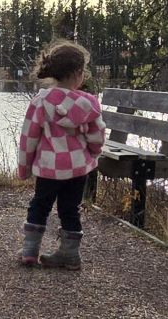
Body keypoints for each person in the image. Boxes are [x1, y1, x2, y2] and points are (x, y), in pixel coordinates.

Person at [15, 40, 106, 269]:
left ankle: (29, 251)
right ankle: (70, 255)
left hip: (48, 167)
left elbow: (29, 138)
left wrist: (24, 168)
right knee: (70, 209)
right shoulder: (89, 104)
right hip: (77, 168)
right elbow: (97, 137)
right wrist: (93, 154)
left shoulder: (41, 101)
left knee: (40, 205)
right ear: (77, 73)